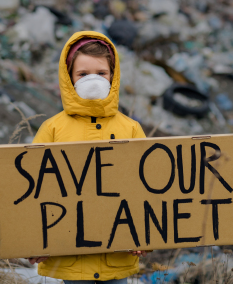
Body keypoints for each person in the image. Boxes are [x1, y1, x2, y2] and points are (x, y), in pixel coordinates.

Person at [28, 31, 148, 284]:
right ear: (68, 78)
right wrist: (37, 240)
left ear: (113, 77)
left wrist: (145, 235)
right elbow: (34, 190)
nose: (92, 81)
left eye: (101, 73)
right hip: (72, 258)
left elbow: (147, 190)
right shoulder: (52, 129)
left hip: (118, 257)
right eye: (83, 74)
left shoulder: (132, 129)